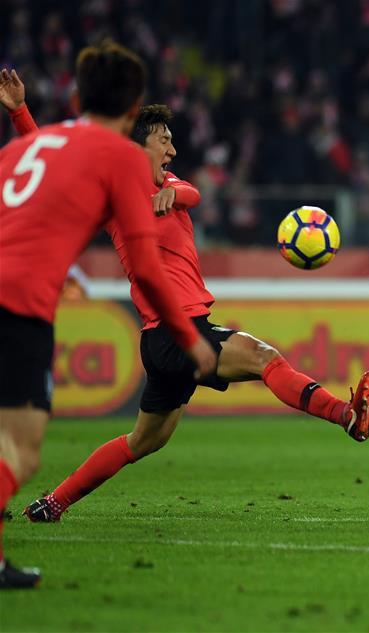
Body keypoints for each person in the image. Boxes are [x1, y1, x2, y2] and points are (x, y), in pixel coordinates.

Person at [0, 73, 369, 530]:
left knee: (144, 441)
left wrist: (172, 192)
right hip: (174, 330)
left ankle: (53, 503)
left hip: (164, 339)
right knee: (264, 358)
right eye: (164, 141)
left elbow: (193, 193)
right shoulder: (111, 196)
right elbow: (55, 168)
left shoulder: (170, 183)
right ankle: (346, 416)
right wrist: (20, 112)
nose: (173, 149)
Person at [0, 42, 218, 589]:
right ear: (131, 109)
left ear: (76, 95)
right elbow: (145, 268)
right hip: (18, 302)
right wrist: (189, 339)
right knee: (19, 451)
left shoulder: (34, 147)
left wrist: (21, 114)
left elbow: (50, 158)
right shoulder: (118, 157)